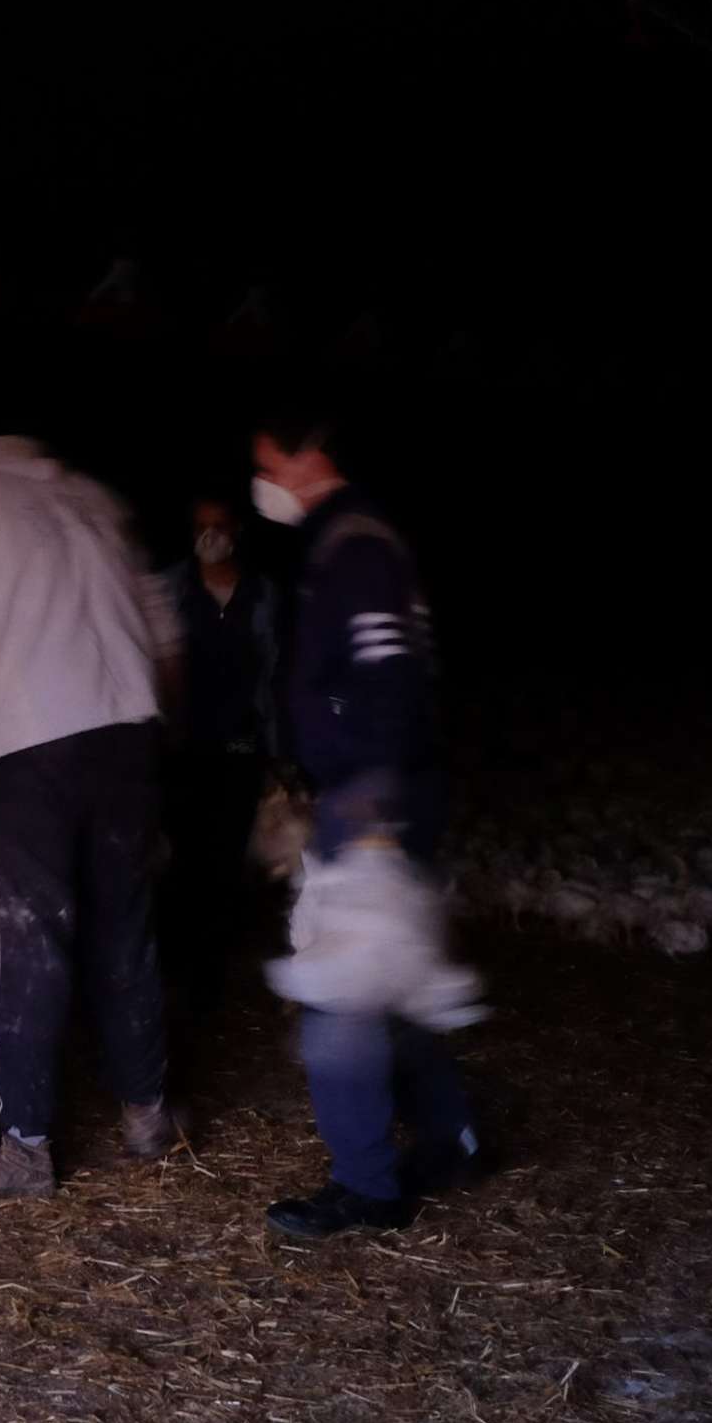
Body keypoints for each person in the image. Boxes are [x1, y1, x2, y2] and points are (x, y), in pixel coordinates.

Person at [0, 416, 184, 1197]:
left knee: (31, 938)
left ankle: (24, 1145)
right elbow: (164, 636)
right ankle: (147, 1113)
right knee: (126, 926)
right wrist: (163, 742)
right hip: (130, 734)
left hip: (35, 744)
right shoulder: (92, 499)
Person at [248, 408, 484, 1239]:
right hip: (379, 787)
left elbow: (390, 675)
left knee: (340, 981)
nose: (263, 478)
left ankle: (369, 1185)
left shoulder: (355, 549)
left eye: (270, 457)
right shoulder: (354, 543)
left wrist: (365, 794)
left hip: (371, 796)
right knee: (392, 970)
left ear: (310, 450)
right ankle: (453, 1137)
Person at [159, 496, 281, 996]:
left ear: (237, 530)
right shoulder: (171, 589)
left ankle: (217, 971)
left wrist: (277, 748)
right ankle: (182, 970)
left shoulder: (263, 594)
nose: (210, 536)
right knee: (183, 854)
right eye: (201, 526)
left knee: (230, 852)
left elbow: (274, 672)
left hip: (240, 742)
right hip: (183, 745)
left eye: (220, 526)